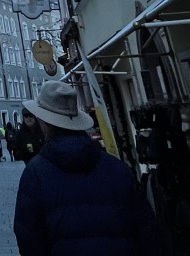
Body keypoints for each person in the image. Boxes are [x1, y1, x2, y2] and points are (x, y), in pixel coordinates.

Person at [13, 80, 155, 256]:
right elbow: (147, 229)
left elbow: (29, 239)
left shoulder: (35, 174)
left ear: (43, 123)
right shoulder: (117, 168)